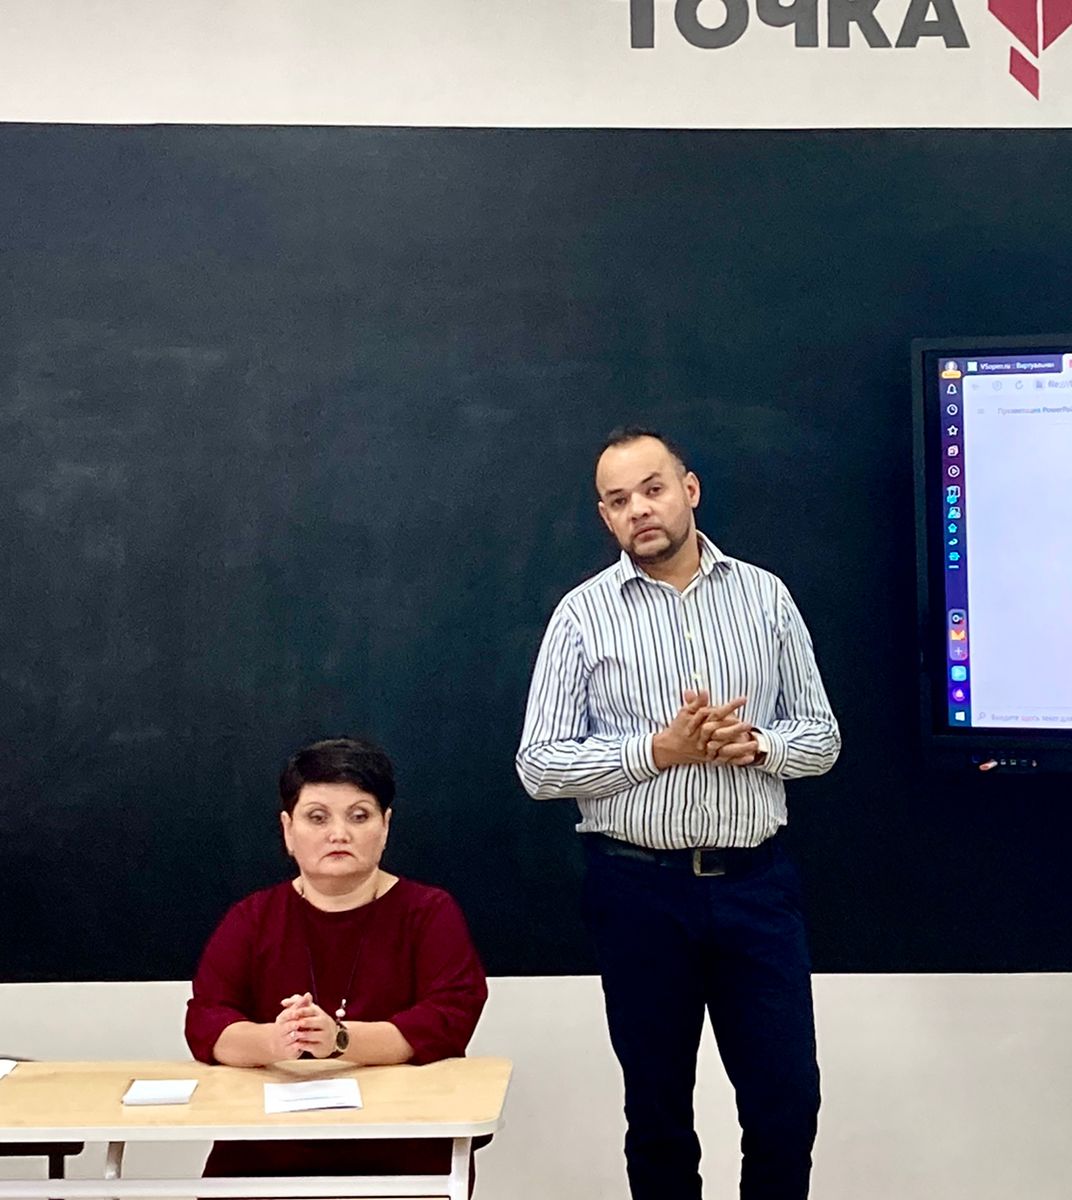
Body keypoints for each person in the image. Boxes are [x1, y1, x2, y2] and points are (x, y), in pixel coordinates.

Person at [515, 428, 841, 1200]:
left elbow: (823, 739)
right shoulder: (582, 616)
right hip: (638, 892)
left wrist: (758, 747)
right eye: (619, 500)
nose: (640, 510)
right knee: (659, 1115)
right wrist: (657, 751)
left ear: (689, 491)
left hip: (756, 888)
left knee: (787, 1104)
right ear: (605, 517)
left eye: (653, 489)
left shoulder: (765, 597)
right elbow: (538, 764)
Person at [185, 737, 489, 1180]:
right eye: (317, 817)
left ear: (385, 827)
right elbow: (206, 1021)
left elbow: (449, 1017)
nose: (339, 834)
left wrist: (340, 1040)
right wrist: (276, 1041)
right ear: (288, 830)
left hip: (402, 1146)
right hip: (267, 1149)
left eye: (359, 816)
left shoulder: (429, 912)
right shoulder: (252, 917)